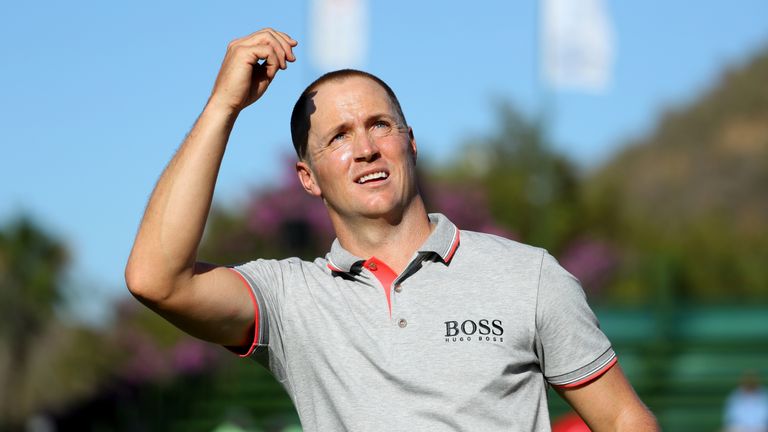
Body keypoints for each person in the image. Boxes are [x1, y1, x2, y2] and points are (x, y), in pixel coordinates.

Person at [125, 28, 658, 431]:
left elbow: (623, 421)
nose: (365, 148)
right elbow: (156, 279)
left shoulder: (529, 274)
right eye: (337, 137)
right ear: (308, 178)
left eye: (378, 125)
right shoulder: (290, 298)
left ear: (410, 141)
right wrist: (224, 105)